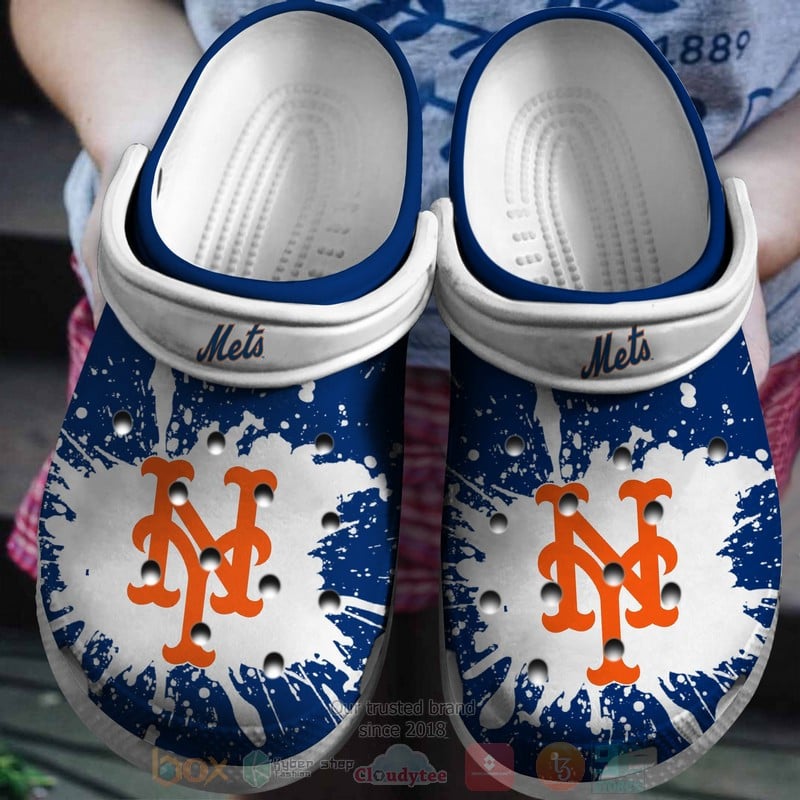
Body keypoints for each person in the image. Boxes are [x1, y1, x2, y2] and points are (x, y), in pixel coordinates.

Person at [8, 0, 800, 618]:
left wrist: (750, 225)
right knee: (270, 726)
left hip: (686, 341)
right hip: (200, 293)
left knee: (522, 732)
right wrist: (149, 146)